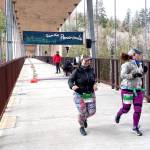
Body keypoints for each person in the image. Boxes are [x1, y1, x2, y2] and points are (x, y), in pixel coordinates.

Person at [115, 48, 148, 136]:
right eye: (139, 54)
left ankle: (135, 127)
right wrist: (133, 75)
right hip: (127, 90)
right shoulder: (127, 64)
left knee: (138, 109)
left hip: (138, 90)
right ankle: (119, 114)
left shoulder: (140, 64)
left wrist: (144, 72)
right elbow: (122, 75)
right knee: (126, 108)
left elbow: (139, 76)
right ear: (133, 55)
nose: (140, 56)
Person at [68, 55, 98, 136]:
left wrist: (95, 84)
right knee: (82, 111)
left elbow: (94, 80)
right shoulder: (76, 71)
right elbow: (70, 80)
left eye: (89, 60)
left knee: (92, 111)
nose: (88, 62)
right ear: (81, 61)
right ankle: (81, 127)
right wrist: (72, 86)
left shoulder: (91, 70)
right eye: (86, 60)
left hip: (89, 94)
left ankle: (83, 119)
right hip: (80, 94)